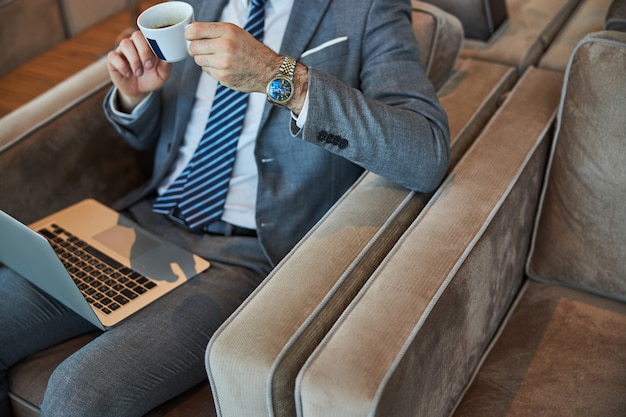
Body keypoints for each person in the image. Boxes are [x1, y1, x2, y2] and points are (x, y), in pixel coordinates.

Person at [0, 0, 450, 415]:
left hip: (242, 257)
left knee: (77, 394)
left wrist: (282, 76)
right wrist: (136, 98)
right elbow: (165, 137)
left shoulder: (367, 8)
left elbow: (425, 153)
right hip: (142, 223)